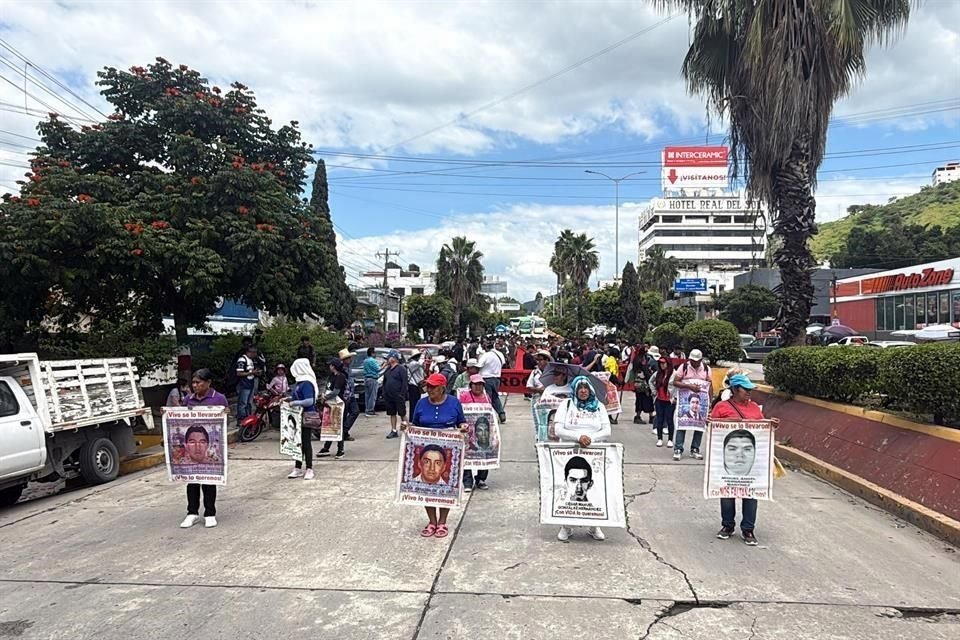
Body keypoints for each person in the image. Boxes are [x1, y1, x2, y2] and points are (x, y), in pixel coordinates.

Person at [710, 373, 779, 546]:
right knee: (727, 492)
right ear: (734, 389)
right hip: (728, 460)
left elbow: (761, 430)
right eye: (745, 389)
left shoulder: (755, 407)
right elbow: (714, 431)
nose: (749, 392)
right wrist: (709, 423)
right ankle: (727, 526)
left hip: (750, 462)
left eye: (750, 389)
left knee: (751, 493)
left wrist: (772, 426)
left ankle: (748, 529)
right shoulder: (721, 407)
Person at [403, 373, 469, 539]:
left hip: (448, 449)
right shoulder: (421, 403)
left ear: (442, 388)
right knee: (426, 485)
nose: (429, 389)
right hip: (425, 447)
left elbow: (461, 421)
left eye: (433, 387)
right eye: (428, 386)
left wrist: (463, 427)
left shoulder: (454, 402)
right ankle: (432, 521)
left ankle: (442, 522)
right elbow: (414, 423)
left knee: (446, 486)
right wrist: (406, 426)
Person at [552, 376, 611, 542]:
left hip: (594, 453)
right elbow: (557, 429)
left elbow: (607, 430)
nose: (583, 391)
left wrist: (591, 438)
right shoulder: (567, 405)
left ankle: (594, 525)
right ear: (575, 390)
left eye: (586, 387)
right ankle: (566, 526)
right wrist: (578, 436)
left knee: (594, 488)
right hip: (569, 453)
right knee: (569, 489)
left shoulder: (599, 407)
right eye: (580, 388)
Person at [179, 368, 229, 529]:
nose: (195, 386)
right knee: (192, 481)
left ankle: (210, 513)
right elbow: (180, 420)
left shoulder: (219, 399)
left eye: (198, 382)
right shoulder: (188, 399)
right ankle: (192, 512)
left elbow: (224, 421)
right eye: (193, 383)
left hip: (210, 448)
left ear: (208, 383)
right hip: (192, 449)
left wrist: (225, 414)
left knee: (209, 481)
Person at [672, 349, 712, 461]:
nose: (694, 363)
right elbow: (675, 382)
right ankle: (678, 448)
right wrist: (689, 387)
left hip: (701, 401)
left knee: (699, 424)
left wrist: (710, 402)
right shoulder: (683, 367)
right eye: (692, 361)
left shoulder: (706, 369)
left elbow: (710, 385)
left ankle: (695, 448)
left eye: (697, 361)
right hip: (685, 401)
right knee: (682, 423)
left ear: (700, 360)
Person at [459, 374, 494, 492]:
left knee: (484, 455)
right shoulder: (464, 397)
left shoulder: (486, 397)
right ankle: (467, 482)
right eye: (476, 384)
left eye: (480, 385)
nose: (478, 387)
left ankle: (481, 479)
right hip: (468, 433)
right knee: (467, 457)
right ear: (471, 385)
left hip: (483, 432)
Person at [287, 358, 319, 480]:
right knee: (297, 442)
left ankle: (309, 468)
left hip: (306, 416)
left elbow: (309, 400)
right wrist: (289, 399)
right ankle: (297, 467)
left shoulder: (307, 383)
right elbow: (296, 397)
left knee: (306, 442)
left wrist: (294, 403)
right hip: (296, 416)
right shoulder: (299, 383)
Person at [318, 355, 350, 459]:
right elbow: (327, 386)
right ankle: (326, 447)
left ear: (334, 366)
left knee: (338, 426)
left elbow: (336, 391)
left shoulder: (340, 376)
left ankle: (340, 449)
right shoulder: (331, 376)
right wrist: (323, 395)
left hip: (338, 404)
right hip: (330, 403)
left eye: (331, 365)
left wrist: (326, 397)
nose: (329, 367)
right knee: (330, 425)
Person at [649, 357, 675, 449]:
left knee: (669, 420)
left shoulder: (674, 374)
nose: (662, 365)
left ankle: (670, 439)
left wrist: (675, 397)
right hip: (659, 399)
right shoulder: (657, 373)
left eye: (664, 363)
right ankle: (659, 438)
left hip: (670, 401)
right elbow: (650, 381)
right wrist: (654, 392)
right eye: (660, 363)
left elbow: (678, 386)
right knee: (659, 419)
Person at [478, 340, 507, 423]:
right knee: (495, 397)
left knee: (487, 398)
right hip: (497, 378)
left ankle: (487, 416)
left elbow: (479, 365)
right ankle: (501, 413)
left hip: (486, 378)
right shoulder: (500, 354)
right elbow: (503, 363)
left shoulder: (485, 355)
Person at [382, 350, 409, 439]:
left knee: (402, 413)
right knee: (392, 413)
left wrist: (402, 394)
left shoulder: (401, 369)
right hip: (389, 395)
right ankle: (393, 430)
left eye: (389, 357)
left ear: (394, 358)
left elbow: (404, 382)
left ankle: (407, 430)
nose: (388, 359)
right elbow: (384, 381)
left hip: (398, 395)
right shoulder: (388, 369)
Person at [234, 344, 261, 429]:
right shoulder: (242, 360)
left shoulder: (251, 360)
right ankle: (241, 419)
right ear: (249, 352)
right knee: (243, 403)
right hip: (244, 384)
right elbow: (239, 373)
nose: (255, 354)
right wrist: (251, 373)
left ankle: (248, 418)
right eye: (254, 352)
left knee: (249, 403)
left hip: (250, 384)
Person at [362, 347, 381, 417]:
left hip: (366, 378)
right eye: (374, 353)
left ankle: (367, 409)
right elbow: (378, 369)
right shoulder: (373, 361)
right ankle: (370, 410)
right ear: (372, 353)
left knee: (367, 395)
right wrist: (385, 365)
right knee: (372, 395)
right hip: (373, 378)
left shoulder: (365, 361)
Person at [406, 351, 426, 419]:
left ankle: (414, 417)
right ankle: (413, 418)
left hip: (416, 385)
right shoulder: (414, 364)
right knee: (414, 403)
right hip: (414, 385)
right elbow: (421, 363)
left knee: (415, 402)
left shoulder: (413, 364)